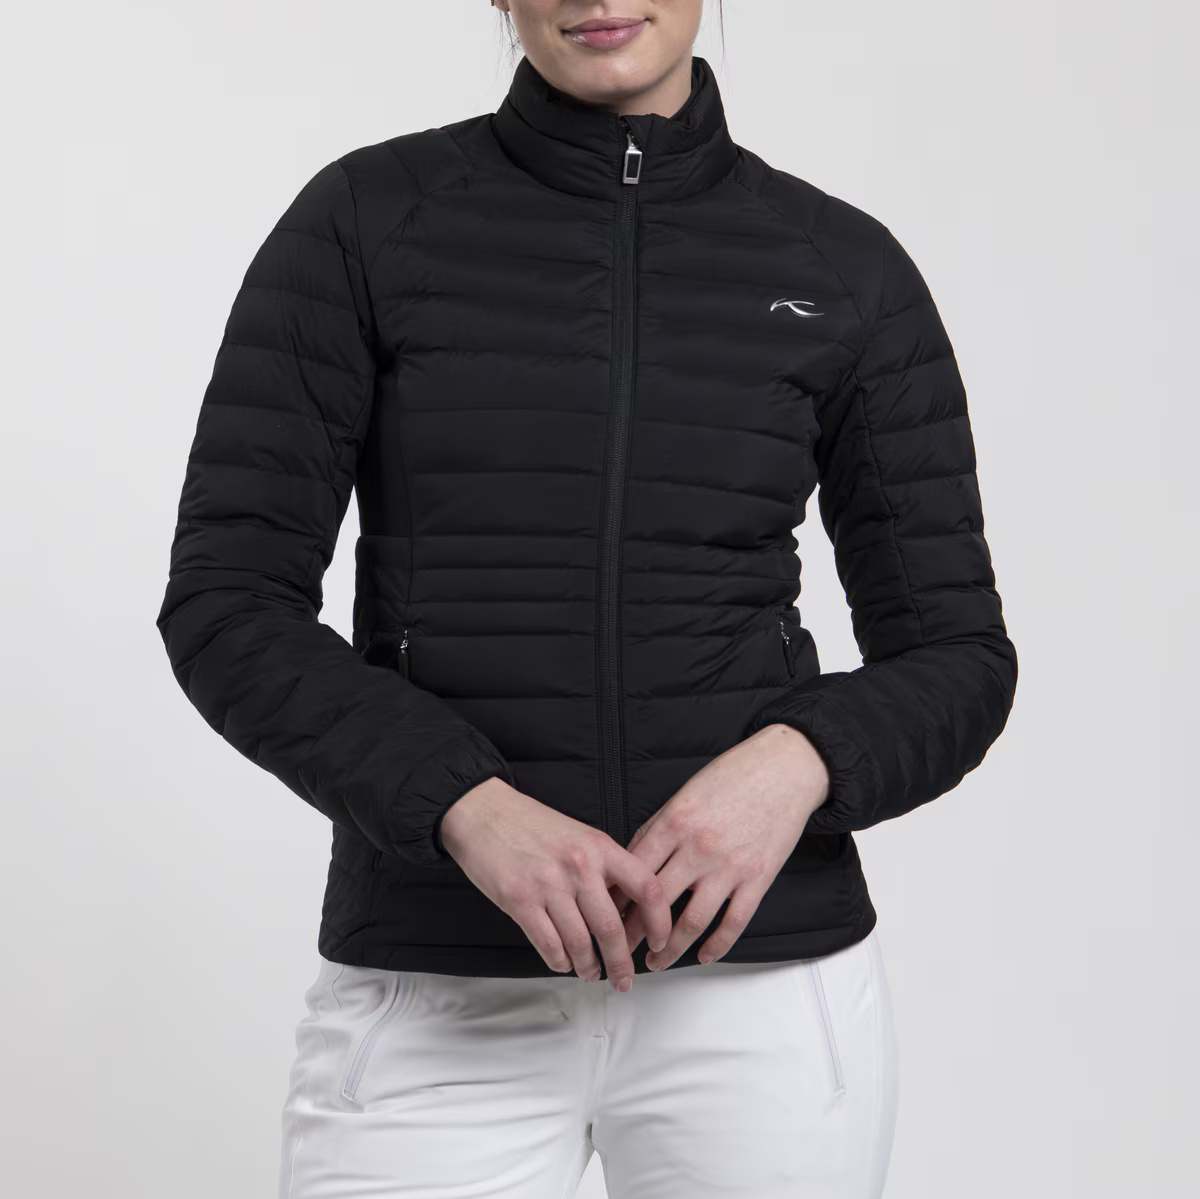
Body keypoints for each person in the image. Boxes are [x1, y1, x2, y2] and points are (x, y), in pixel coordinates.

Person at [155, 2, 1017, 1195]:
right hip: (440, 983)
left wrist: (797, 763)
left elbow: (959, 652)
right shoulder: (366, 223)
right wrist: (462, 803)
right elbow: (228, 600)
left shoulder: (840, 266)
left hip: (761, 994)